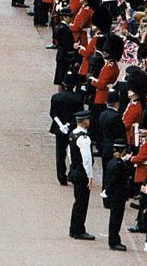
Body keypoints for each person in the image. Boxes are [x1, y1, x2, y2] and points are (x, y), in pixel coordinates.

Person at [49, 72, 83, 186]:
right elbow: (78, 115)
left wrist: (61, 125)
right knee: (74, 153)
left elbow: (52, 113)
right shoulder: (78, 98)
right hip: (73, 128)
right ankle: (72, 175)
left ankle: (61, 177)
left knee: (60, 153)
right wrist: (68, 125)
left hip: (59, 129)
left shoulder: (56, 97)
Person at [65, 109, 95, 240]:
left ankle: (74, 228)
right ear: (84, 122)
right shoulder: (84, 138)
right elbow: (87, 159)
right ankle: (79, 229)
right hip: (82, 171)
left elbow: (69, 152)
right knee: (82, 202)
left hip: (75, 168)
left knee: (77, 200)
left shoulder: (72, 134)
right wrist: (90, 175)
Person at [103, 139, 133, 251]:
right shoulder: (119, 164)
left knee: (114, 219)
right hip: (118, 195)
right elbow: (116, 180)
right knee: (116, 220)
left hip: (115, 195)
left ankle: (114, 240)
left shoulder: (113, 161)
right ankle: (114, 241)